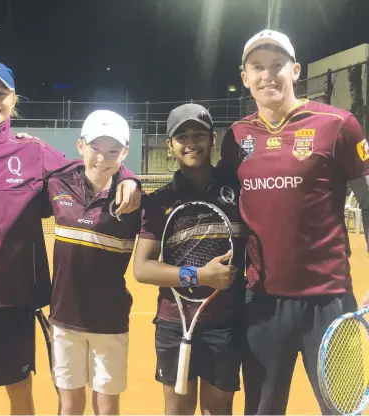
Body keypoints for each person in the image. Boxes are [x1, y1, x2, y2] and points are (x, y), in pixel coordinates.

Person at [0, 63, 141, 415]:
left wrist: (129, 177)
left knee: (19, 389)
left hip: (14, 298)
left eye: (1, 94)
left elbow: (89, 168)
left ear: (13, 100)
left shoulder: (34, 154)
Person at [217, 29, 369, 414]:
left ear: (295, 70)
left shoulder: (338, 125)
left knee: (342, 408)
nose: (268, 75)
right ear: (245, 77)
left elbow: (368, 201)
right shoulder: (236, 138)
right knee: (262, 409)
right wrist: (129, 182)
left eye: (277, 65)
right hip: (263, 303)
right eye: (258, 68)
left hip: (329, 300)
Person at [133, 103, 246, 415]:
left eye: (199, 134)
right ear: (170, 145)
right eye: (181, 136)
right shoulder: (159, 202)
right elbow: (142, 268)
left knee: (218, 407)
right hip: (174, 322)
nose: (191, 142)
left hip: (225, 322)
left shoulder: (237, 189)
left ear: (212, 139)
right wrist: (199, 276)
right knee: (178, 408)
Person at [43, 110, 141, 415]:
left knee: (107, 406)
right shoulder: (58, 184)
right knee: (69, 404)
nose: (103, 158)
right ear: (81, 145)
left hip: (109, 321)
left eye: (113, 150)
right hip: (64, 317)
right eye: (96, 148)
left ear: (125, 152)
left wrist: (130, 179)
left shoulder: (134, 202)